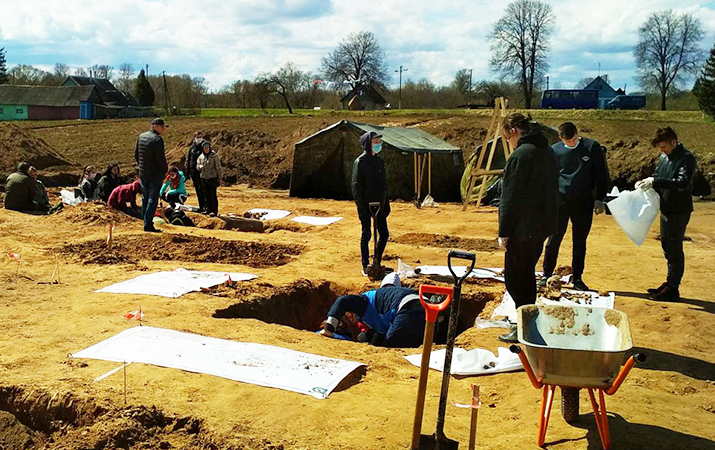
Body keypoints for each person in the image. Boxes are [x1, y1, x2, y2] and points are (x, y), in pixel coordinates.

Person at [498, 113, 559, 343]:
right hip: (542, 226)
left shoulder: (521, 155)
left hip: (522, 229)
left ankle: (524, 325)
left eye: (507, 137)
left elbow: (510, 197)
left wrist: (504, 231)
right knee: (527, 275)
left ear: (513, 131)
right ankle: (527, 320)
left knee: (516, 279)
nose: (509, 142)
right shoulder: (549, 152)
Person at [541, 122, 610, 291]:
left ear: (577, 135)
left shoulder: (591, 147)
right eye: (567, 141)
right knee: (554, 237)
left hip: (584, 200)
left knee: (580, 240)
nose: (571, 143)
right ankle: (546, 274)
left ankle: (577, 277)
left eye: (573, 140)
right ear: (560, 138)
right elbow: (549, 177)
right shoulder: (555, 150)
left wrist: (600, 198)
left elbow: (602, 173)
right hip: (561, 200)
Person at [636, 127, 697, 302]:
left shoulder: (686, 158)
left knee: (674, 247)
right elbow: (658, 175)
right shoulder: (664, 157)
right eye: (660, 148)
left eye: (664, 147)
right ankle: (670, 283)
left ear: (673, 141)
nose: (662, 150)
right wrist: (647, 183)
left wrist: (656, 181)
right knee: (667, 246)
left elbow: (683, 182)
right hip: (666, 207)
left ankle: (673, 288)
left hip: (679, 209)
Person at [318, 274, 430, 348]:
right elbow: (378, 334)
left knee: (390, 347)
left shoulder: (367, 299)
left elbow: (343, 301)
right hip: (428, 307)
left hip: (408, 308)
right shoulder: (386, 301)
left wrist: (329, 328)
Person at [352, 131, 390, 276]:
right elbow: (356, 186)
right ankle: (365, 265)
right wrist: (362, 208)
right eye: (375, 142)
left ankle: (377, 261)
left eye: (379, 142)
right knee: (367, 234)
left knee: (384, 234)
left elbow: (384, 184)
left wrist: (385, 204)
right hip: (366, 205)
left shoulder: (379, 161)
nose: (378, 144)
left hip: (379, 205)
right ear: (368, 144)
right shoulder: (360, 162)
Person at [135, 118, 169, 232]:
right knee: (152, 199)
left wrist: (142, 166)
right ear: (156, 126)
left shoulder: (141, 136)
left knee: (145, 197)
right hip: (155, 174)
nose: (163, 129)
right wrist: (165, 170)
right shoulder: (157, 140)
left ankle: (145, 221)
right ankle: (148, 224)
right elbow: (160, 159)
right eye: (162, 126)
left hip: (143, 172)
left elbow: (136, 155)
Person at [196, 141, 221, 217]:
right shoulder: (201, 157)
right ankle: (207, 209)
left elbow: (218, 168)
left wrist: (219, 178)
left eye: (207, 148)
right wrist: (199, 167)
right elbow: (197, 165)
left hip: (212, 178)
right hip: (204, 177)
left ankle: (214, 211)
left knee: (212, 195)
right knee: (205, 195)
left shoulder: (214, 156)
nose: (206, 149)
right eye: (204, 148)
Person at [187, 133, 207, 213]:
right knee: (198, 190)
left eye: (199, 136)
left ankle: (206, 207)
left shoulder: (204, 146)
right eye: (196, 136)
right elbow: (188, 160)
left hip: (202, 171)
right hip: (193, 172)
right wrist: (187, 171)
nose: (198, 138)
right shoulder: (192, 147)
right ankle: (201, 206)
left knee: (204, 189)